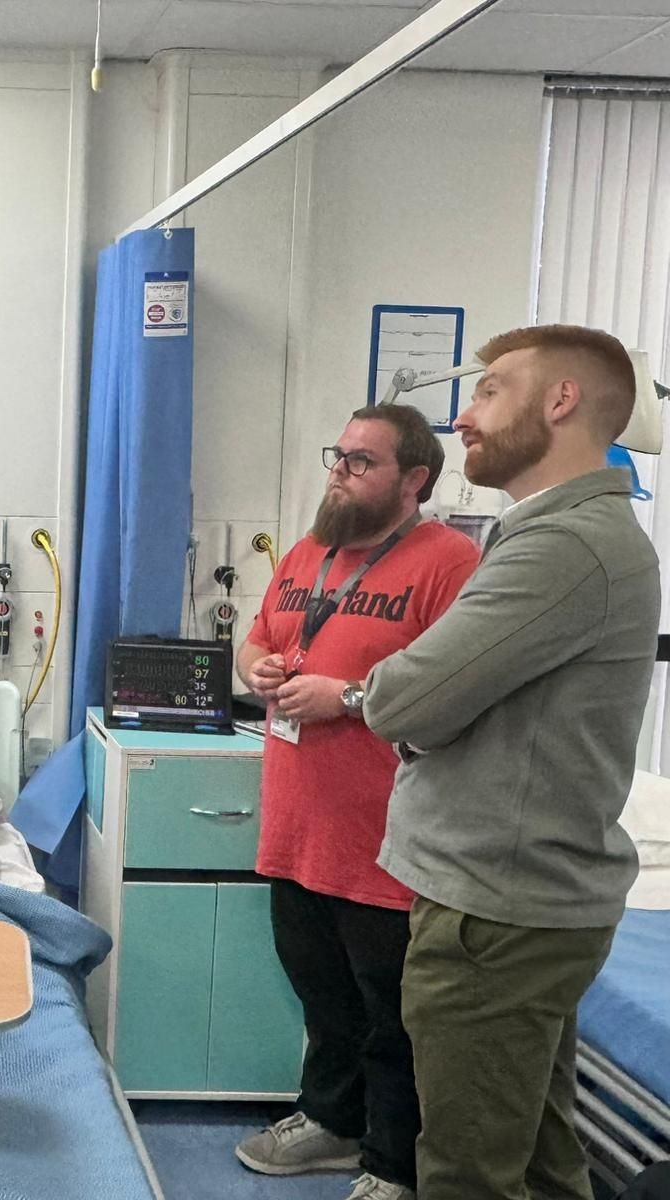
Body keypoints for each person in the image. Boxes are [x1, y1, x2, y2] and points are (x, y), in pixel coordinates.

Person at [362, 325, 659, 1200]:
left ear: (560, 401)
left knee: (466, 1174)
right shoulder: (563, 533)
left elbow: (401, 700)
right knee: (537, 1158)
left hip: (495, 912)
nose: (464, 415)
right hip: (521, 904)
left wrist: (409, 711)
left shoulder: (563, 547)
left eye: (490, 390)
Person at [234, 403, 481, 1200]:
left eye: (361, 460)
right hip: (297, 825)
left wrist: (344, 696)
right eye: (337, 454)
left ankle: (391, 1163)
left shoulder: (449, 563)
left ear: (415, 479)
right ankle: (332, 1122)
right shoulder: (310, 550)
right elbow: (258, 637)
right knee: (322, 995)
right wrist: (261, 667)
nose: (340, 469)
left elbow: (455, 689)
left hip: (385, 838)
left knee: (392, 1017)